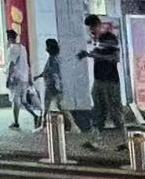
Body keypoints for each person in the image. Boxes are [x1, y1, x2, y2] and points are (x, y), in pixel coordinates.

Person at [80, 14, 128, 150]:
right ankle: (96, 141)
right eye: (90, 29)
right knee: (98, 110)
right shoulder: (99, 40)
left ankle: (125, 141)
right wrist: (89, 55)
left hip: (110, 80)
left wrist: (94, 55)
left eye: (92, 28)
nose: (91, 31)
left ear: (98, 25)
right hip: (99, 79)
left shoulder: (109, 38)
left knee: (115, 111)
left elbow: (115, 58)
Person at [37, 38, 74, 131]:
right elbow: (48, 71)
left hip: (51, 85)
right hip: (53, 85)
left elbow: (54, 73)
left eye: (46, 46)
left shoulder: (53, 59)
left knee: (47, 106)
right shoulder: (54, 58)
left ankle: (43, 125)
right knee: (59, 106)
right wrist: (39, 76)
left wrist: (56, 86)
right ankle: (71, 124)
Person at [4, 29, 34, 130]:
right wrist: (29, 77)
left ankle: (16, 122)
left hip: (16, 78)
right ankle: (35, 116)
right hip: (24, 77)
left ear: (9, 38)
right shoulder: (23, 48)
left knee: (15, 100)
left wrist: (8, 78)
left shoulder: (12, 49)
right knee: (24, 100)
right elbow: (26, 64)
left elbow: (12, 64)